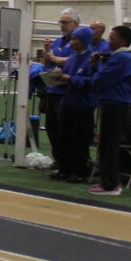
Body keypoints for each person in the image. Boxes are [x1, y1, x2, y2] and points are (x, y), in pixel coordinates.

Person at [86, 26, 131, 196]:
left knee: (109, 145)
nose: (109, 41)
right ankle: (109, 181)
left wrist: (97, 66)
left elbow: (100, 80)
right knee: (108, 144)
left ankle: (110, 184)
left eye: (113, 38)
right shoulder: (119, 57)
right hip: (112, 102)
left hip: (115, 104)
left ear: (123, 41)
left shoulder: (122, 58)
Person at [52, 26, 97, 183]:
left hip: (83, 106)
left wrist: (70, 79)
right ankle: (65, 169)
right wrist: (58, 77)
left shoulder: (92, 59)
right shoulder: (72, 59)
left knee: (80, 141)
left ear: (84, 41)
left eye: (74, 39)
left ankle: (80, 172)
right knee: (64, 138)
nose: (71, 42)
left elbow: (91, 82)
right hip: (68, 103)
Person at [43, 8, 81, 170]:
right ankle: (58, 159)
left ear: (75, 23)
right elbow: (47, 63)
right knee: (51, 127)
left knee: (65, 129)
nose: (62, 25)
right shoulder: (57, 42)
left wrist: (53, 58)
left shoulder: (78, 43)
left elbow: (71, 60)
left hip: (67, 92)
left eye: (65, 22)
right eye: (60, 22)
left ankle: (68, 162)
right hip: (52, 89)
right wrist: (47, 53)